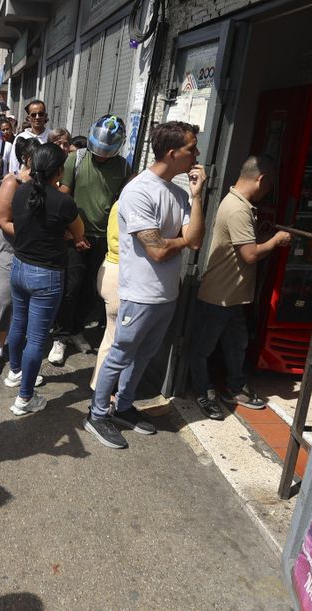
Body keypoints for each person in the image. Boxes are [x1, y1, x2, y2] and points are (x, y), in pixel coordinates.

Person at [85, 121, 207, 449]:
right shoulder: (138, 191)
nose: (197, 154)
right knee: (120, 354)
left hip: (166, 294)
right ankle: (97, 414)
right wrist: (179, 241)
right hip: (139, 293)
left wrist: (197, 197)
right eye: (191, 148)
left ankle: (124, 406)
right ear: (172, 153)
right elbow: (157, 251)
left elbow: (195, 240)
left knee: (144, 355)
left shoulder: (179, 193)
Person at [191, 154, 291, 418]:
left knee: (237, 345)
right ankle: (203, 392)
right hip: (219, 296)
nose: (267, 192)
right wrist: (276, 240)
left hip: (233, 295)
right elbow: (250, 255)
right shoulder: (237, 209)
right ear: (262, 180)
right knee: (202, 349)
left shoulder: (241, 204)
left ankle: (236, 388)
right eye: (269, 186)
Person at [5, 143, 82, 416]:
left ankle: (15, 372)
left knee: (18, 323)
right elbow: (79, 231)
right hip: (46, 275)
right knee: (37, 339)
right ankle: (25, 398)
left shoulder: (20, 190)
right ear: (59, 171)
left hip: (19, 266)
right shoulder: (63, 201)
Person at [49, 115, 130, 367]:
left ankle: (76, 329)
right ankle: (60, 336)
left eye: (107, 152)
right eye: (99, 150)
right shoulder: (76, 158)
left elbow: (124, 202)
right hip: (75, 236)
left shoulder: (124, 168)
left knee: (91, 291)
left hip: (104, 240)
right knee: (70, 288)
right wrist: (72, 231)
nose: (101, 156)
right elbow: (64, 196)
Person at [0, 136, 40, 375]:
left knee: (25, 300)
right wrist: (33, 233)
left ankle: (18, 343)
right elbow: (2, 220)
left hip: (34, 247)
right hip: (9, 244)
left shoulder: (47, 184)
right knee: (3, 297)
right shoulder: (11, 182)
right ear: (26, 158)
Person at [90, 202, 121, 389]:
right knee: (114, 337)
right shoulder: (126, 204)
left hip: (112, 270)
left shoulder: (121, 203)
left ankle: (102, 388)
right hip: (117, 273)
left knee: (113, 335)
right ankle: (101, 390)